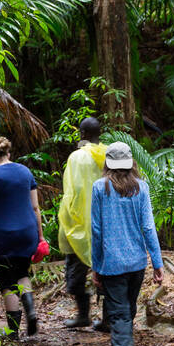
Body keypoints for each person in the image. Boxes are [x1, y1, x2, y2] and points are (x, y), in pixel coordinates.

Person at [91, 142, 164, 346]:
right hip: (135, 265)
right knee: (125, 319)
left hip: (112, 266)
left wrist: (96, 265)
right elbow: (148, 227)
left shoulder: (100, 188)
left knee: (121, 321)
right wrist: (156, 262)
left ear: (108, 164)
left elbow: (96, 231)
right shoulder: (140, 187)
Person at [0, 136, 44, 337]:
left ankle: (13, 331)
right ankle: (30, 309)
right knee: (22, 273)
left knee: (6, 279)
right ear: (9, 154)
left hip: (2, 236)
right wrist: (40, 236)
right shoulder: (25, 171)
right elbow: (35, 207)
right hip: (26, 233)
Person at [58, 116, 108, 330]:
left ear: (83, 134)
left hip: (81, 224)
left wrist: (70, 218)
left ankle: (83, 314)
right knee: (108, 271)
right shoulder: (110, 154)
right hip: (107, 224)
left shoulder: (77, 157)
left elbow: (73, 191)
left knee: (76, 271)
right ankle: (107, 319)